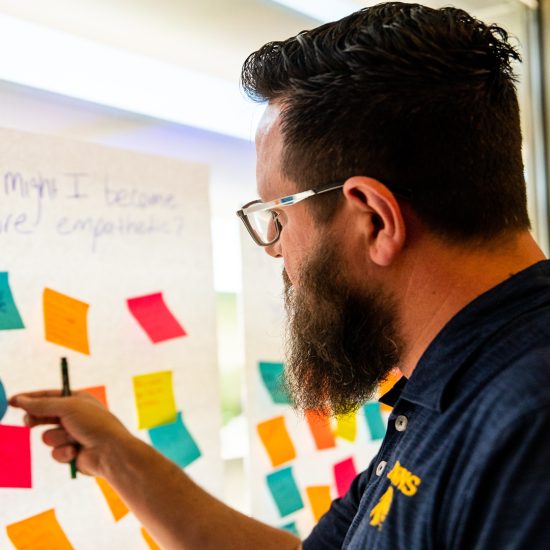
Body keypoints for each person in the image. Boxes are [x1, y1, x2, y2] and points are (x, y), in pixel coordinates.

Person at [10, 2, 550, 548]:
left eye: (278, 217)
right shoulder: (456, 383)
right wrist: (116, 456)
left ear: (373, 219)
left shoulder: (527, 426)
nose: (275, 252)